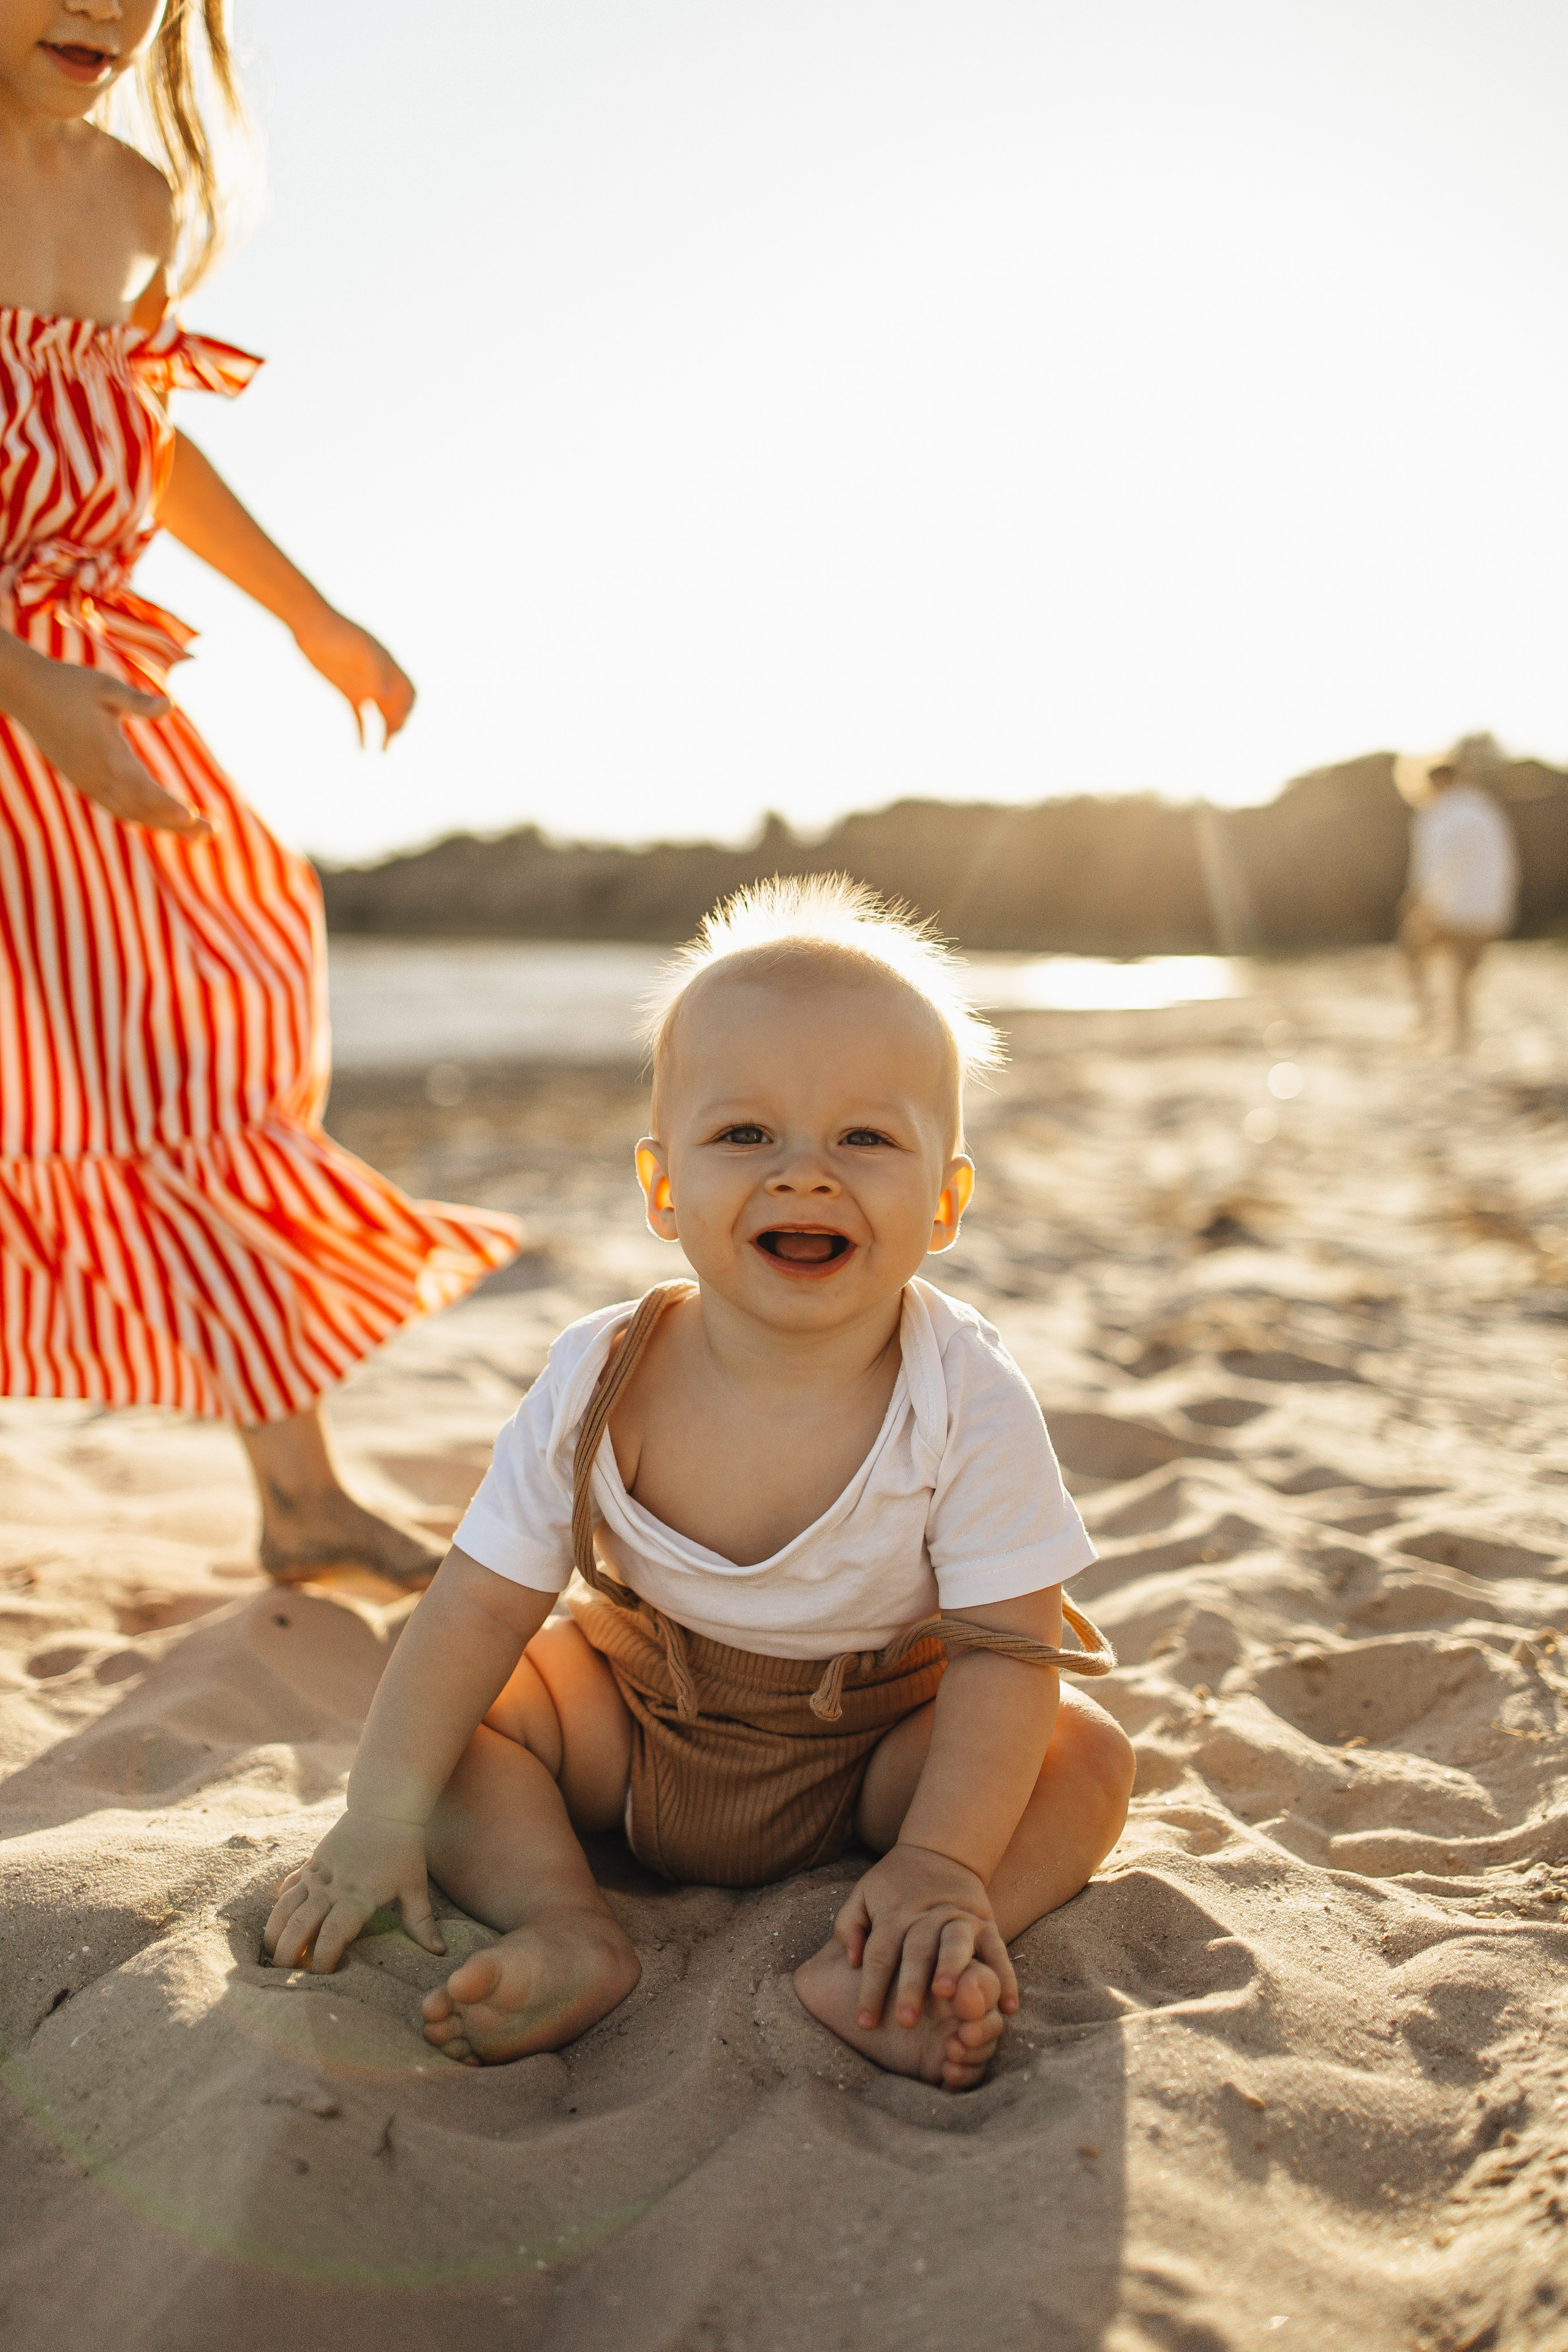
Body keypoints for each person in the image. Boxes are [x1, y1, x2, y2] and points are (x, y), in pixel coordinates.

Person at [265, 878, 1136, 2090]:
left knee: (1080, 1759)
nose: (803, 1176)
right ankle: (565, 1924)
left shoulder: (962, 1392)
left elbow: (1002, 1650)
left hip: (873, 1753)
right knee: (454, 1706)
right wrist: (379, 1818)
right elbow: (476, 1602)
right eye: (746, 1136)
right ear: (662, 1185)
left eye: (864, 1140)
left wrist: (939, 1855)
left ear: (942, 1200)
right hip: (628, 1729)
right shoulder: (600, 1374)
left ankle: (899, 1942)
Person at [0, 0, 521, 1586]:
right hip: (31, 687)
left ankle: (299, 1498)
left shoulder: (139, 200)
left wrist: (309, 612)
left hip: (95, 682)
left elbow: (144, 444)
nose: (103, 8)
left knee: (211, 1038)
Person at [1393, 744, 1520, 1052]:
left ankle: (1426, 1016)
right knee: (1462, 978)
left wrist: (1416, 903)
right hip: (1491, 910)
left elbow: (1434, 870)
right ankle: (1461, 1040)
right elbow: (1505, 861)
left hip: (1451, 910)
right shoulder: (1483, 807)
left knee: (1411, 950)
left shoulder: (1435, 815)